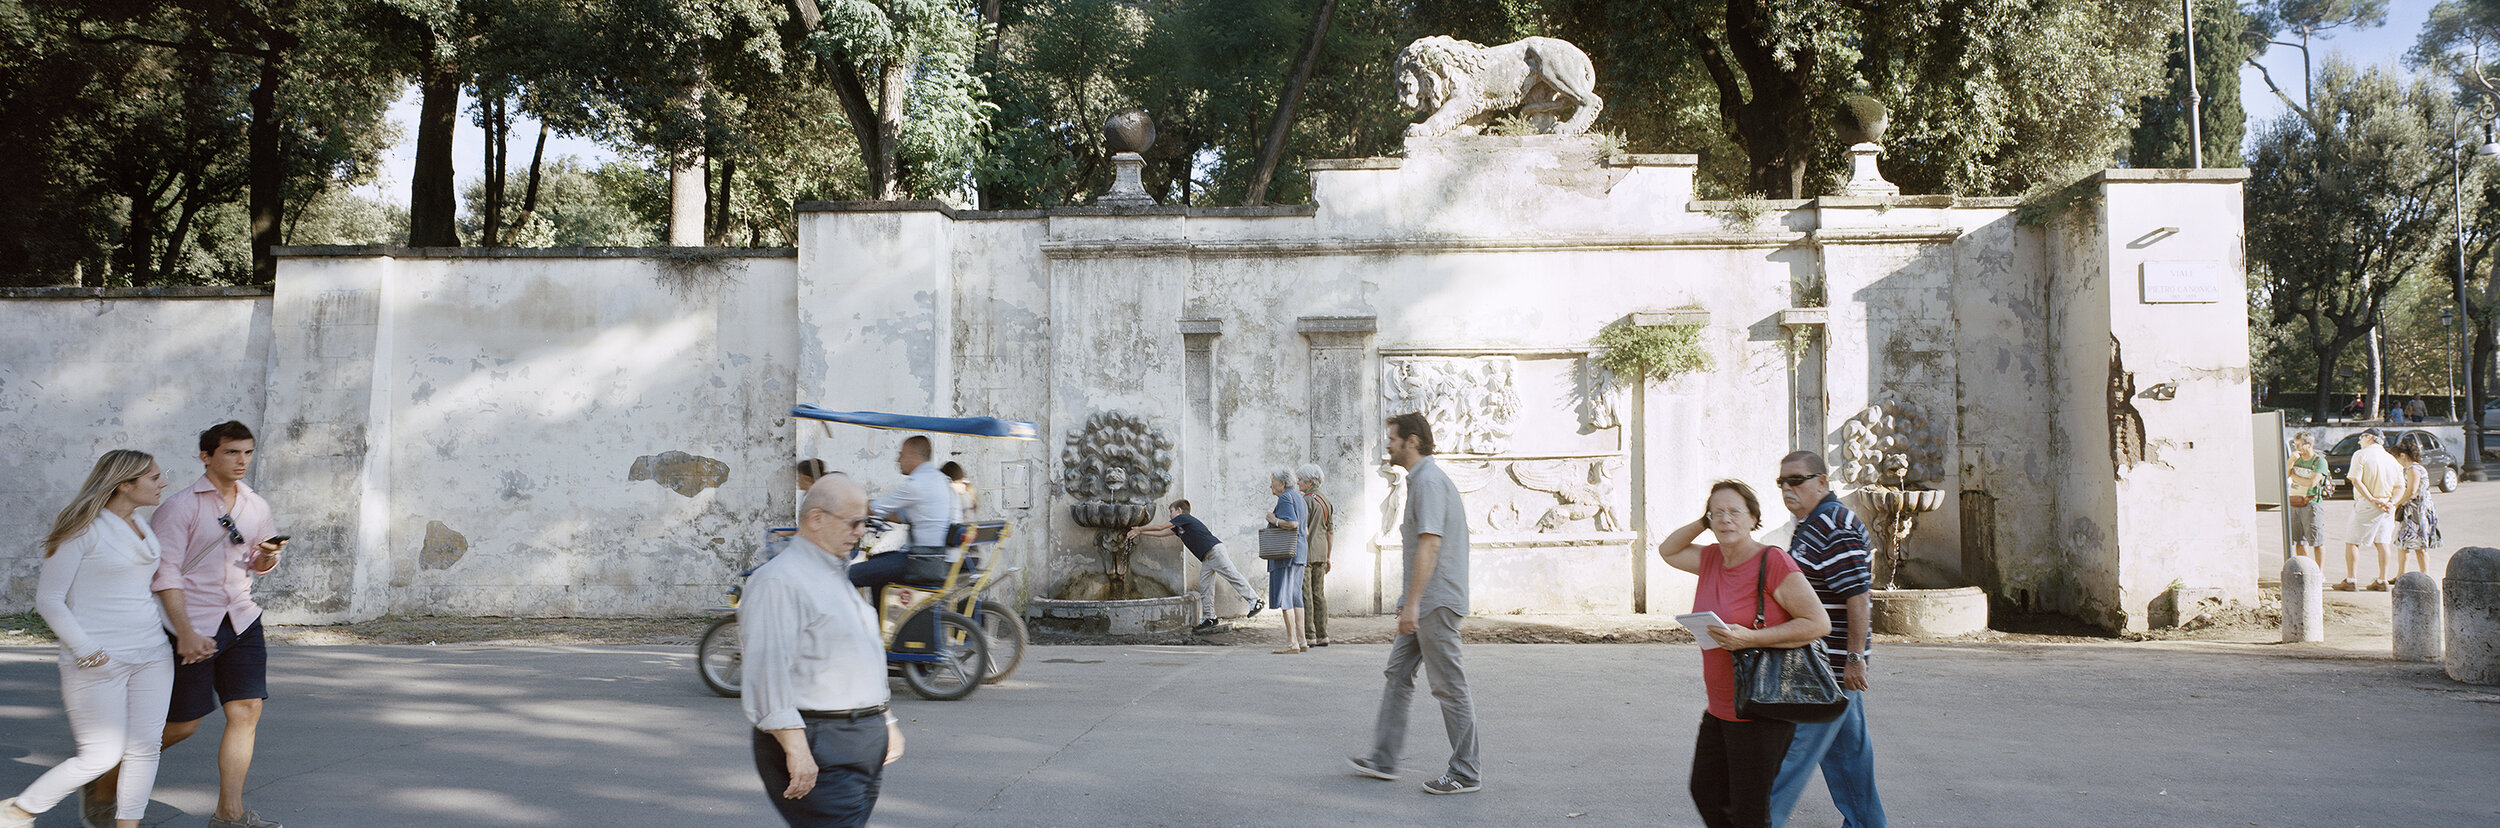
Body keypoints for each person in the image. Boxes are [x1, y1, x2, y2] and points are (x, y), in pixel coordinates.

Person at [96, 421, 289, 828]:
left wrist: (268, 557)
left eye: (248, 452)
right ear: (207, 456)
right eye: (232, 452)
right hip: (193, 622)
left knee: (246, 710)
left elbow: (257, 563)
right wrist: (184, 632)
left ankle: (229, 815)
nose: (242, 461)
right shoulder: (180, 507)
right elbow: (164, 574)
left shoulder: (256, 506)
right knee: (183, 724)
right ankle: (103, 777)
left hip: (242, 618)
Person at [2, 451, 174, 828]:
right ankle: (17, 811)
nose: (163, 483)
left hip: (152, 654)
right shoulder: (84, 528)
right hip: (98, 657)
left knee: (145, 748)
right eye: (155, 478)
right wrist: (86, 650)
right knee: (101, 756)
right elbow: (49, 599)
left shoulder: (140, 525)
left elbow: (142, 592)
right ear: (125, 484)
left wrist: (180, 636)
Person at [1657, 479, 1833, 828]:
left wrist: (1750, 638)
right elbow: (1669, 550)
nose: (1725, 519)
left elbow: (1817, 623)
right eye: (1717, 513)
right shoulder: (1709, 558)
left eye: (1735, 512)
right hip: (1722, 705)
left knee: (1749, 811)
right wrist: (1702, 521)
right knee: (1706, 792)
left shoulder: (1773, 561)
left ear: (1754, 518)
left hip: (1762, 706)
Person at [741, 474, 905, 827]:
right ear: (816, 519)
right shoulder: (780, 582)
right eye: (854, 522)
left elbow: (859, 654)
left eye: (866, 522)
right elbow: (766, 674)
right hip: (820, 743)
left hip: (858, 742)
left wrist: (884, 718)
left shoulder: (834, 573)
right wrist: (796, 749)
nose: (861, 531)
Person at [1349, 412, 1481, 795]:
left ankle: (1466, 772)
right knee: (1398, 673)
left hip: (1434, 603)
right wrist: (1408, 599)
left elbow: (1431, 543)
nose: (1386, 444)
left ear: (1412, 441)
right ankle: (1384, 759)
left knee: (1449, 686)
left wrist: (1414, 602)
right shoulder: (1421, 481)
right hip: (1424, 601)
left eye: (1392, 438)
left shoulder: (1429, 482)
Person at [1763, 452, 1885, 828]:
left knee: (1785, 765)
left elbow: (1858, 597)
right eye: (1782, 482)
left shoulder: (1835, 524)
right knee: (1851, 765)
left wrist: (1853, 658)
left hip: (1827, 673)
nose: (1787, 488)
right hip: (1825, 668)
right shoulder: (1811, 524)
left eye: (1796, 480)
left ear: (1822, 482)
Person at [1128, 500, 1262, 631]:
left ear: (1179, 511)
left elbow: (1160, 527)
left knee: (1232, 575)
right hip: (1206, 557)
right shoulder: (1180, 527)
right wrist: (1141, 532)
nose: (1170, 515)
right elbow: (1162, 534)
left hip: (1214, 551)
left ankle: (1255, 601)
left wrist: (1140, 528)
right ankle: (1210, 617)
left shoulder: (1184, 517)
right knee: (1205, 587)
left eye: (1171, 511)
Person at [850, 436, 959, 590]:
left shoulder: (918, 484)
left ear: (914, 456)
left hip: (920, 562)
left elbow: (875, 507)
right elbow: (901, 516)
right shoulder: (941, 480)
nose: (898, 460)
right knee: (878, 561)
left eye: (901, 454)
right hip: (939, 560)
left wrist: (846, 504)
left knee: (851, 574)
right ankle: (880, 613)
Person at [2338, 428, 2402, 592]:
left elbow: (2356, 481)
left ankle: (2351, 579)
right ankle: (2382, 579)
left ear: (2370, 437)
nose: (2359, 441)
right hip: (2387, 504)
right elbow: (2400, 486)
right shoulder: (2392, 460)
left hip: (2367, 502)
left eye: (2361, 437)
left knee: (2352, 541)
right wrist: (2391, 502)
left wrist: (2372, 499)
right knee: (2383, 542)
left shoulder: (2361, 455)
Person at [1265, 468, 1311, 654]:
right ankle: (1302, 641)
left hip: (1287, 554)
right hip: (1299, 552)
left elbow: (1292, 524)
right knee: (1295, 596)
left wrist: (1273, 520)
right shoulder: (1299, 498)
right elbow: (1305, 530)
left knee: (1286, 597)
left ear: (1282, 483)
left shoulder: (1285, 498)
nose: (1270, 485)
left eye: (1273, 481)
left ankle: (1292, 642)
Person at [1297, 463, 1334, 647]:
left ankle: (1309, 635)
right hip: (1321, 552)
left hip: (1307, 553)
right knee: (1319, 594)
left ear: (1310, 481)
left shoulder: (1305, 501)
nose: (1298, 483)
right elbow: (1330, 532)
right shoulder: (1326, 501)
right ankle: (1323, 634)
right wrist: (1328, 556)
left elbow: (1302, 529)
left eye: (1301, 480)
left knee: (1306, 594)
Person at [2390, 442, 2441, 577]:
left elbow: (2411, 491)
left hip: (2415, 511)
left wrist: (2397, 503)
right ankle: (2423, 575)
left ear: (2403, 455)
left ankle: (2404, 575)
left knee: (2406, 544)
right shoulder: (2419, 468)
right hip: (2421, 510)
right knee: (2417, 546)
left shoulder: (2413, 469)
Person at [2286, 433, 2331, 569]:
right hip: (2294, 502)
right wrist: (2290, 461)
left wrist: (2294, 476)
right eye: (2295, 444)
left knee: (2316, 540)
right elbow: (2284, 474)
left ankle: (2319, 571)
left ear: (2309, 445)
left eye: (2299, 444)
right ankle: (2305, 569)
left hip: (2311, 504)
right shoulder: (2296, 459)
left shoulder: (2319, 461)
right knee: (2299, 541)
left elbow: (2312, 482)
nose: (2296, 447)